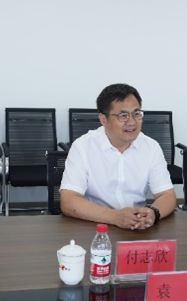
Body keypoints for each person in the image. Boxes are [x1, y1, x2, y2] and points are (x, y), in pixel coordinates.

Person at [60, 83, 177, 230]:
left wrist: (153, 213)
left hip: (137, 227)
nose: (132, 122)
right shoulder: (83, 147)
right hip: (94, 226)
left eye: (136, 113)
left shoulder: (151, 147)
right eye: (123, 115)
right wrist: (114, 217)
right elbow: (68, 201)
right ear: (103, 119)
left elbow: (167, 195)